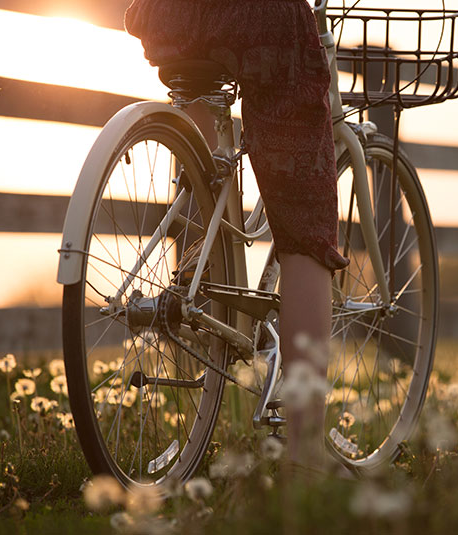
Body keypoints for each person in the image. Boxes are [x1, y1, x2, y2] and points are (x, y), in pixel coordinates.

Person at [124, 0, 348, 471]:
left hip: (168, 15)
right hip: (259, 18)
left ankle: (198, 308)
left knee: (200, 169)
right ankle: (305, 454)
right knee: (306, 224)